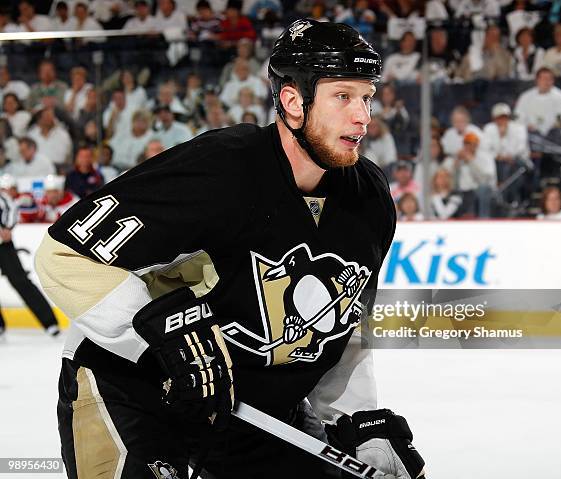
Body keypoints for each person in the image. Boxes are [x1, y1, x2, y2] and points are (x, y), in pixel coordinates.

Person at [34, 19, 425, 479]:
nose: (362, 116)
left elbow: (344, 331)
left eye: (367, 96)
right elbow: (61, 256)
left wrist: (357, 421)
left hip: (252, 410)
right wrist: (167, 337)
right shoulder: (222, 170)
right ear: (293, 101)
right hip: (137, 392)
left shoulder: (370, 199)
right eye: (343, 96)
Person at [0, 180, 60, 338]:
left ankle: (49, 322)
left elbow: (10, 207)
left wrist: (7, 227)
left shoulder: (3, 197)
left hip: (2, 246)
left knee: (21, 281)